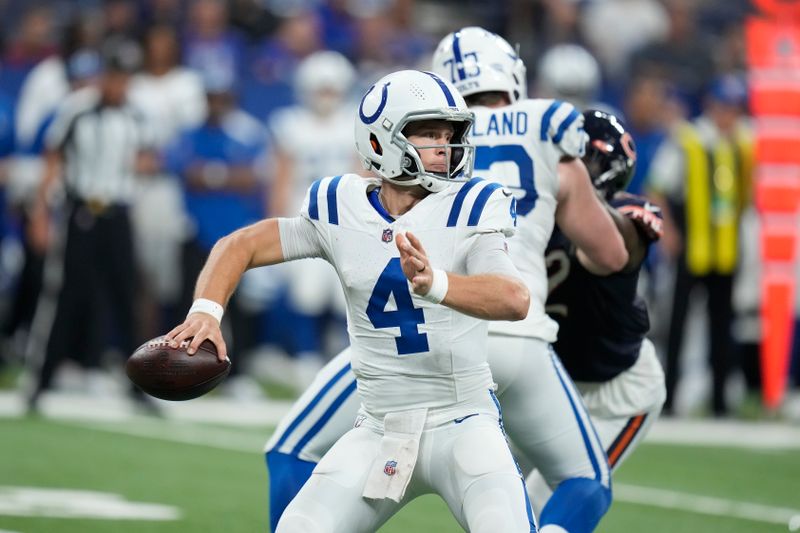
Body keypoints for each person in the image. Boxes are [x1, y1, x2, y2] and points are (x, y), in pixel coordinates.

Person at [265, 27, 629, 533]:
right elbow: (611, 255)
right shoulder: (546, 129)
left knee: (290, 449)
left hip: (414, 333)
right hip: (519, 339)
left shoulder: (419, 136)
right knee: (584, 480)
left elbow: (374, 202)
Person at [167, 69, 537, 532]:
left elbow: (513, 297)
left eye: (448, 134)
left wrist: (436, 282)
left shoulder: (472, 204)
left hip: (462, 421)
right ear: (381, 141)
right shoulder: (339, 205)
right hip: (378, 426)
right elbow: (240, 244)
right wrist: (206, 311)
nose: (444, 147)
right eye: (427, 133)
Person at [527, 109, 666, 513]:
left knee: (543, 504)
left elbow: (611, 252)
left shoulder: (627, 217)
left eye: (571, 158)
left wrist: (568, 191)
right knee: (494, 499)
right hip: (548, 386)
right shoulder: (524, 211)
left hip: (617, 393)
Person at [24, 42, 156, 411]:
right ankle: (41, 381)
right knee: (65, 297)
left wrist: (142, 170)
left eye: (125, 77)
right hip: (81, 212)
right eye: (114, 75)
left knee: (125, 296)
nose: (119, 84)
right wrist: (40, 213)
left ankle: (137, 385)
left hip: (118, 212)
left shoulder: (136, 114)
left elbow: (145, 156)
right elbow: (52, 158)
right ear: (104, 75)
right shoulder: (76, 110)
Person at [648, 74, 754, 416]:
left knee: (723, 325)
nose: (730, 116)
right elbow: (658, 186)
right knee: (677, 326)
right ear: (712, 106)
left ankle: (721, 402)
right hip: (692, 246)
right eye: (725, 108)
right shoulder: (688, 139)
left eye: (735, 109)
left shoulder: (744, 142)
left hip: (725, 248)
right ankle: (671, 399)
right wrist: (670, 232)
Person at [266, 50, 358, 389]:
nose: (326, 97)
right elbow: (281, 177)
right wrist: (275, 225)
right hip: (303, 217)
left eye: (331, 89)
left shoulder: (352, 123)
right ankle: (305, 357)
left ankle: (338, 357)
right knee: (307, 293)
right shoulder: (291, 124)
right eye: (321, 89)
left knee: (342, 292)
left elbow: (363, 173)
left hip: (345, 220)